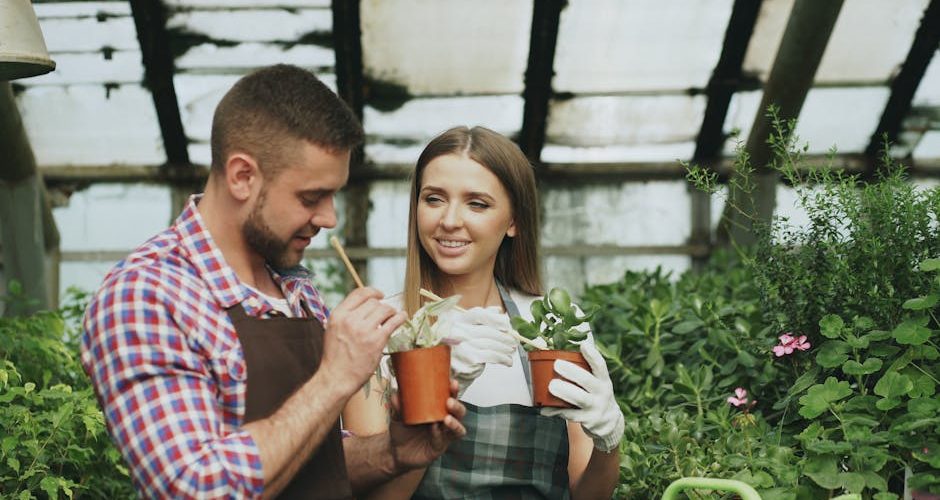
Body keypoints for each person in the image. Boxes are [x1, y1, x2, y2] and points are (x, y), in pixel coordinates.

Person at [80, 65, 467, 499]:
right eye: (310, 197)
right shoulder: (146, 297)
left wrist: (391, 452)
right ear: (243, 176)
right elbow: (192, 489)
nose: (329, 218)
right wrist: (334, 378)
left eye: (333, 194)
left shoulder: (293, 288)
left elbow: (313, 467)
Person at [343, 126, 624, 498]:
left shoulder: (551, 328)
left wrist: (609, 442)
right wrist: (432, 400)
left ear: (514, 221)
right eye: (434, 199)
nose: (450, 220)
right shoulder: (380, 330)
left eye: (477, 203)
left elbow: (587, 494)